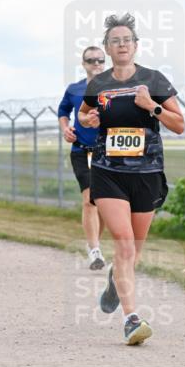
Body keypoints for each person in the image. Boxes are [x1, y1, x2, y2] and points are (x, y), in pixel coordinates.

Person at [78, 13, 184, 345]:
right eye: (115, 40)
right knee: (123, 244)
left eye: (127, 40)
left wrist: (151, 106)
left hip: (147, 174)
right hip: (108, 172)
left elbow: (179, 124)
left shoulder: (154, 80)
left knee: (133, 253)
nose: (121, 45)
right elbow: (83, 114)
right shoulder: (98, 84)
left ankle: (115, 280)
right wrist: (89, 119)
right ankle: (131, 319)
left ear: (135, 46)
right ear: (107, 49)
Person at [59, 45, 107, 270]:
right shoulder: (74, 89)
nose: (96, 64)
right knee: (89, 199)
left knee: (105, 203)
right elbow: (63, 111)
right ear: (83, 64)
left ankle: (93, 243)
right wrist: (66, 128)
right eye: (91, 61)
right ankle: (95, 250)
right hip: (81, 150)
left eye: (100, 60)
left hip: (107, 151)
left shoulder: (112, 89)